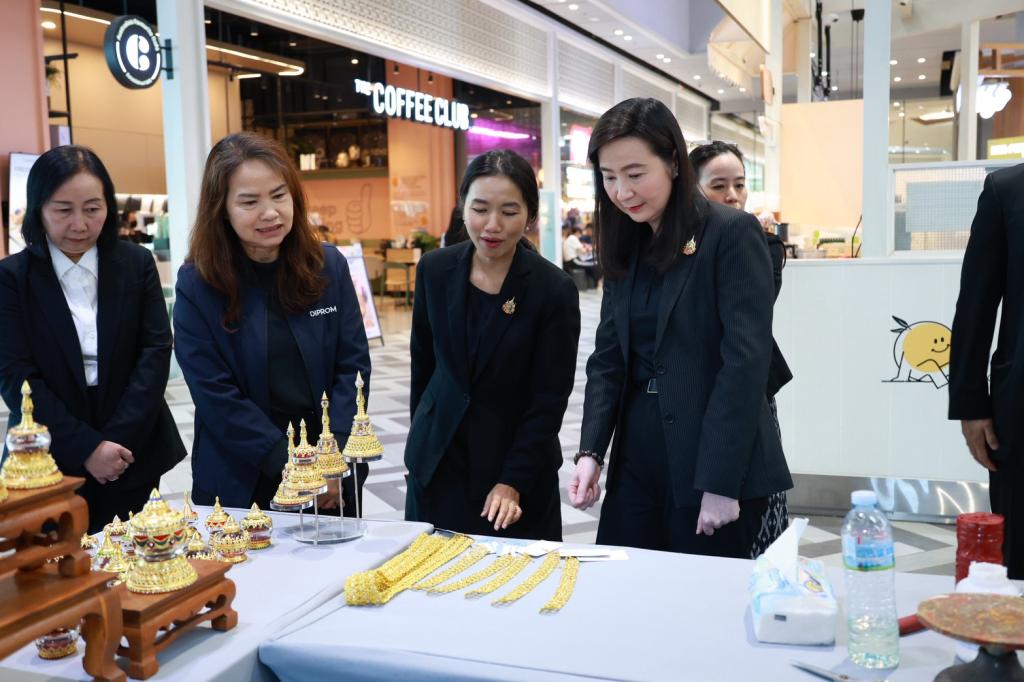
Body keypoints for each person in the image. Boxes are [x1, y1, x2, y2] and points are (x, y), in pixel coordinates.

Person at [568, 98, 792, 558]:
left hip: (711, 452)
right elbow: (608, 357)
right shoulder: (627, 240)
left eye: (635, 174)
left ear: (672, 161)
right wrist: (591, 451)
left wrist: (720, 480)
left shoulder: (730, 233)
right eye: (608, 178)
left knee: (702, 608)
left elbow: (744, 363)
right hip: (639, 451)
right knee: (627, 585)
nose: (622, 191)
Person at [174, 132, 370, 512]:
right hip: (242, 479)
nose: (270, 212)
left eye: (279, 196)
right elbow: (216, 396)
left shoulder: (327, 266)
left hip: (332, 477)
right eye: (250, 202)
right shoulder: (198, 284)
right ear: (222, 209)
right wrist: (294, 467)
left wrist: (335, 459)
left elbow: (353, 368)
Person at [0, 146, 185, 533]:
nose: (80, 224)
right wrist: (86, 449)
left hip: (132, 446)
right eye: (63, 210)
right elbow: (15, 374)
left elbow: (154, 353)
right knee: (57, 574)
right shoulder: (12, 278)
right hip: (47, 451)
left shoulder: (135, 264)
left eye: (92, 208)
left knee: (140, 565)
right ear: (38, 209)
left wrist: (113, 446)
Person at [405, 149, 581, 540]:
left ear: (531, 217)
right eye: (480, 208)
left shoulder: (552, 291)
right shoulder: (435, 270)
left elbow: (548, 399)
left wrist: (513, 480)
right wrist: (421, 447)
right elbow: (424, 367)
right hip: (438, 467)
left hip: (513, 475)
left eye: (509, 211)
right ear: (463, 207)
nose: (492, 225)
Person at [689, 141, 794, 556]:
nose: (732, 195)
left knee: (755, 497)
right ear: (693, 188)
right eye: (719, 185)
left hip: (745, 383)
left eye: (739, 184)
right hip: (693, 387)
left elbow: (757, 309)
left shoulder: (754, 240)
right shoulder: (678, 243)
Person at [950, 163, 1024, 579]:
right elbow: (975, 305)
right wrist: (970, 404)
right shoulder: (1008, 189)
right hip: (1019, 408)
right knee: (1018, 549)